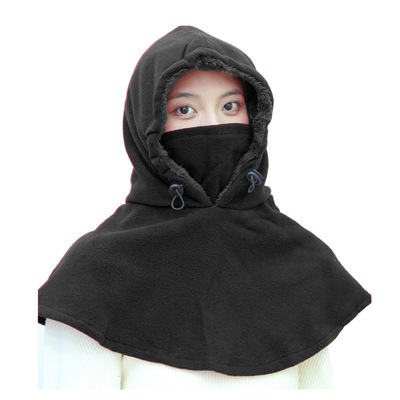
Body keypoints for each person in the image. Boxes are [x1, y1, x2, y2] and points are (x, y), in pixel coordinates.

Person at [38, 25, 371, 390]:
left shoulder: (299, 263)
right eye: (184, 109)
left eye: (230, 106)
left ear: (256, 116)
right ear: (146, 122)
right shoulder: (94, 275)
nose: (213, 125)